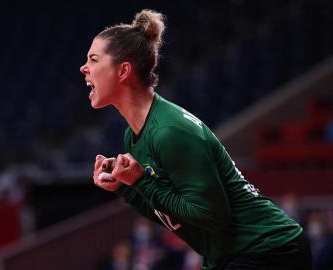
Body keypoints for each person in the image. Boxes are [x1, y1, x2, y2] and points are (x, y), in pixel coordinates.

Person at [79, 9, 312, 270]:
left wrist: (141, 181)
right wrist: (126, 187)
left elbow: (212, 217)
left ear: (123, 71)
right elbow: (173, 216)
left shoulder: (169, 131)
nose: (84, 68)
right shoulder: (134, 135)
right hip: (234, 253)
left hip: (268, 248)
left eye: (94, 59)